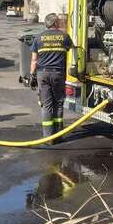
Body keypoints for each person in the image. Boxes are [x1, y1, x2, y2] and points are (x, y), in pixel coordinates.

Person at [30, 13, 74, 142]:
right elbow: (73, 48)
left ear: (46, 23)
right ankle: (58, 134)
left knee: (47, 105)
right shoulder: (64, 36)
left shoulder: (38, 38)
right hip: (58, 74)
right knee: (59, 103)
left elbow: (34, 60)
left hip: (42, 74)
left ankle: (48, 137)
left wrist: (32, 76)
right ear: (56, 23)